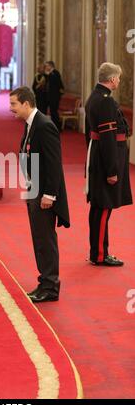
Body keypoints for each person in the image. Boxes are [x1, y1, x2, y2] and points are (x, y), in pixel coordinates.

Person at [10, 86, 70, 302]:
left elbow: (54, 163)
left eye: (14, 104)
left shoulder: (44, 125)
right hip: (34, 189)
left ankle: (51, 286)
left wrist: (50, 195)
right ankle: (45, 282)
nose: (11, 109)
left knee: (46, 240)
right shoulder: (31, 124)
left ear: (26, 103)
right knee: (39, 239)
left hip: (44, 194)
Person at [85, 62, 132, 266]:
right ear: (112, 79)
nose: (119, 81)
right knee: (104, 208)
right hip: (107, 160)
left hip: (97, 156)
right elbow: (108, 138)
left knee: (99, 208)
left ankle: (98, 252)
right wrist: (112, 170)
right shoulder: (105, 102)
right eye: (118, 78)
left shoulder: (95, 97)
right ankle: (100, 255)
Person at [45, 61, 64, 131]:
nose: (46, 67)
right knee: (52, 112)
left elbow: (58, 85)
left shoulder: (55, 73)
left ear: (51, 66)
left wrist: (49, 75)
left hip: (55, 97)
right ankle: (54, 127)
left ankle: (58, 127)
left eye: (47, 66)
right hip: (50, 97)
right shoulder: (50, 74)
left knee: (54, 112)